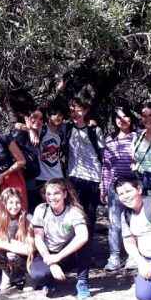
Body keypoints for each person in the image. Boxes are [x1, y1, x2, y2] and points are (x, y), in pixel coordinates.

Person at [30, 178, 92, 299]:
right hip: (48, 252)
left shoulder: (74, 212)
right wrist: (51, 261)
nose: (52, 197)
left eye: (56, 193)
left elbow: (83, 236)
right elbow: (38, 238)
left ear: (64, 194)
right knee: (39, 275)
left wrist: (58, 257)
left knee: (86, 239)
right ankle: (50, 279)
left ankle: (82, 282)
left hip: (67, 253)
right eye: (48, 194)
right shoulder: (41, 209)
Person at [100, 106, 139, 271]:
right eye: (118, 118)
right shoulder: (109, 140)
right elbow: (106, 166)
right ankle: (114, 256)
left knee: (135, 222)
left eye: (126, 117)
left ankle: (133, 256)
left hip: (133, 186)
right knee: (115, 223)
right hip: (114, 188)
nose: (122, 121)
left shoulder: (137, 137)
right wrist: (103, 188)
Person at [65, 98, 104, 238]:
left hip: (93, 177)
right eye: (72, 110)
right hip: (74, 177)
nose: (75, 114)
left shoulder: (94, 130)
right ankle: (73, 250)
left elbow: (102, 154)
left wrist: (104, 180)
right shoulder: (67, 129)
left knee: (90, 214)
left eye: (79, 110)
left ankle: (87, 250)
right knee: (74, 213)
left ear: (86, 111)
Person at [0, 188, 34, 290]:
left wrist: (3, 244)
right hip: (8, 254)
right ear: (4, 203)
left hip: (25, 258)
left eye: (17, 202)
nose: (14, 206)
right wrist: (9, 244)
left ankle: (30, 276)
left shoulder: (27, 218)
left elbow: (30, 250)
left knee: (11, 255)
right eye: (10, 202)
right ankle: (7, 274)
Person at [12, 108, 43, 212]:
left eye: (41, 119)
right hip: (21, 179)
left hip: (33, 177)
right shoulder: (18, 134)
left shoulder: (37, 133)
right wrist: (29, 130)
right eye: (34, 117)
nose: (37, 121)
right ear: (26, 119)